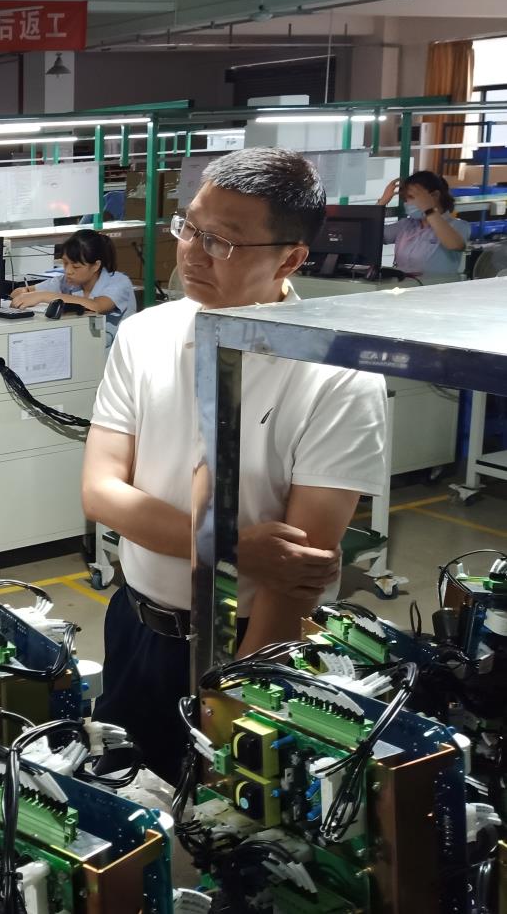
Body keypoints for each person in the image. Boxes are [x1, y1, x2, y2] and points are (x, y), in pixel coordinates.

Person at [83, 148, 388, 782]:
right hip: (136, 625)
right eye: (189, 227)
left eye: (221, 241)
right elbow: (102, 491)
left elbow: (293, 575)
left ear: (290, 259)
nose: (192, 253)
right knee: (123, 801)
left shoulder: (338, 374)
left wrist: (236, 698)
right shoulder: (145, 335)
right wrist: (231, 549)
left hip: (251, 639)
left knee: (232, 813)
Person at [8, 227, 138, 343]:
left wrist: (42, 296)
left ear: (95, 266)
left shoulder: (119, 282)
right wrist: (24, 292)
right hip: (82, 347)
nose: (68, 271)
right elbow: (22, 292)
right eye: (65, 263)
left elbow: (97, 306)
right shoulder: (67, 281)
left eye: (76, 266)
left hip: (111, 355)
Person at [378, 169, 468, 279]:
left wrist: (429, 210)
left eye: (412, 197)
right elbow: (370, 235)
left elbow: (455, 245)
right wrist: (381, 203)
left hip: (437, 288)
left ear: (435, 195)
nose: (408, 203)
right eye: (406, 198)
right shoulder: (406, 225)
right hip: (404, 287)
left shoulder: (458, 225)